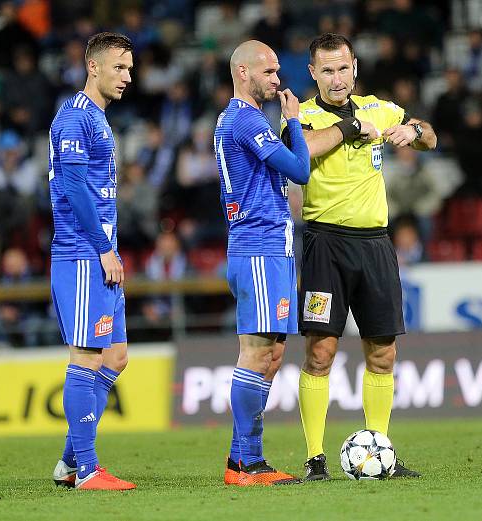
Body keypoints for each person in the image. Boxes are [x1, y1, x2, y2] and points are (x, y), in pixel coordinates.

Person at [281, 33, 437, 481]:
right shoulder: (301, 116)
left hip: (375, 246)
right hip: (325, 245)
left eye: (343, 68)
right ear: (312, 73)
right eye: (326, 70)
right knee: (320, 352)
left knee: (383, 352)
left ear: (355, 68)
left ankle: (380, 448)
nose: (337, 78)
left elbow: (429, 136)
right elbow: (302, 151)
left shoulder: (380, 108)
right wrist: (351, 128)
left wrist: (414, 131)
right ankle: (315, 459)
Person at [215, 40, 310, 486]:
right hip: (258, 247)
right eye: (269, 72)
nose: (277, 79)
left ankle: (244, 459)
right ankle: (245, 463)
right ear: (243, 72)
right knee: (256, 354)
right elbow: (299, 170)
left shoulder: (241, 119)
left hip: (270, 246)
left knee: (272, 353)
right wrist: (294, 123)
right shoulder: (246, 120)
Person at [48, 32, 135, 491]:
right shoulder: (75, 120)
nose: (126, 76)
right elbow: (74, 189)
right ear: (93, 66)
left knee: (115, 356)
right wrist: (103, 249)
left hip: (102, 252)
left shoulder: (98, 121)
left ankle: (69, 461)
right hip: (83, 255)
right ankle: (87, 469)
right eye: (118, 68)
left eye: (129, 69)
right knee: (85, 356)